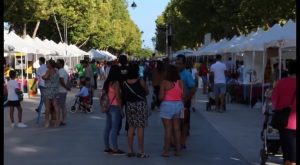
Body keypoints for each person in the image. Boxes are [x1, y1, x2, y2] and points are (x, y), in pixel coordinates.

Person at [271, 60, 296, 165]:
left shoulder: (281, 83)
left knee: (286, 147)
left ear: (288, 69)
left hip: (284, 120)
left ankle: (288, 161)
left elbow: (274, 100)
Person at [122, 63, 149, 158]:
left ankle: (129, 150)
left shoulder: (125, 82)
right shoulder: (140, 81)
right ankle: (140, 150)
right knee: (140, 127)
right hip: (140, 104)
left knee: (131, 127)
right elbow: (147, 92)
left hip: (129, 105)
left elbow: (124, 95)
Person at [159, 64, 183, 157]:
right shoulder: (180, 81)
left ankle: (166, 151)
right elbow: (182, 94)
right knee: (177, 129)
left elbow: (161, 97)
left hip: (167, 105)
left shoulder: (164, 82)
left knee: (168, 129)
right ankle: (178, 150)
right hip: (179, 105)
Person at [102, 65, 125, 155]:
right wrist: (121, 109)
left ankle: (107, 147)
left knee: (107, 127)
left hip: (107, 106)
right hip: (115, 107)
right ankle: (115, 148)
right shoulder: (116, 83)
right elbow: (118, 97)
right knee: (114, 129)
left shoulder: (107, 82)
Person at [175, 54, 196, 148]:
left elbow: (193, 88)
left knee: (184, 123)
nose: (177, 65)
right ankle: (176, 141)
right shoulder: (175, 73)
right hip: (175, 102)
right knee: (176, 122)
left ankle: (182, 142)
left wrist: (186, 99)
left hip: (184, 103)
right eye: (176, 63)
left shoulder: (187, 74)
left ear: (184, 64)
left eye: (179, 64)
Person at [42, 59, 60, 128]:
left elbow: (45, 77)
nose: (46, 65)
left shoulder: (48, 71)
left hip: (49, 90)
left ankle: (47, 122)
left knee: (47, 107)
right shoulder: (56, 71)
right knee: (56, 106)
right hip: (55, 90)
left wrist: (43, 76)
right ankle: (57, 121)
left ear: (50, 65)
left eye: (47, 64)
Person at [56, 59, 71, 126]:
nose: (57, 64)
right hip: (62, 90)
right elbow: (67, 80)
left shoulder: (61, 71)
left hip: (61, 90)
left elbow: (61, 80)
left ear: (61, 64)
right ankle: (63, 120)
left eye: (58, 63)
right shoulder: (63, 71)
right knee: (62, 106)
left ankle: (61, 120)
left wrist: (66, 87)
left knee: (60, 106)